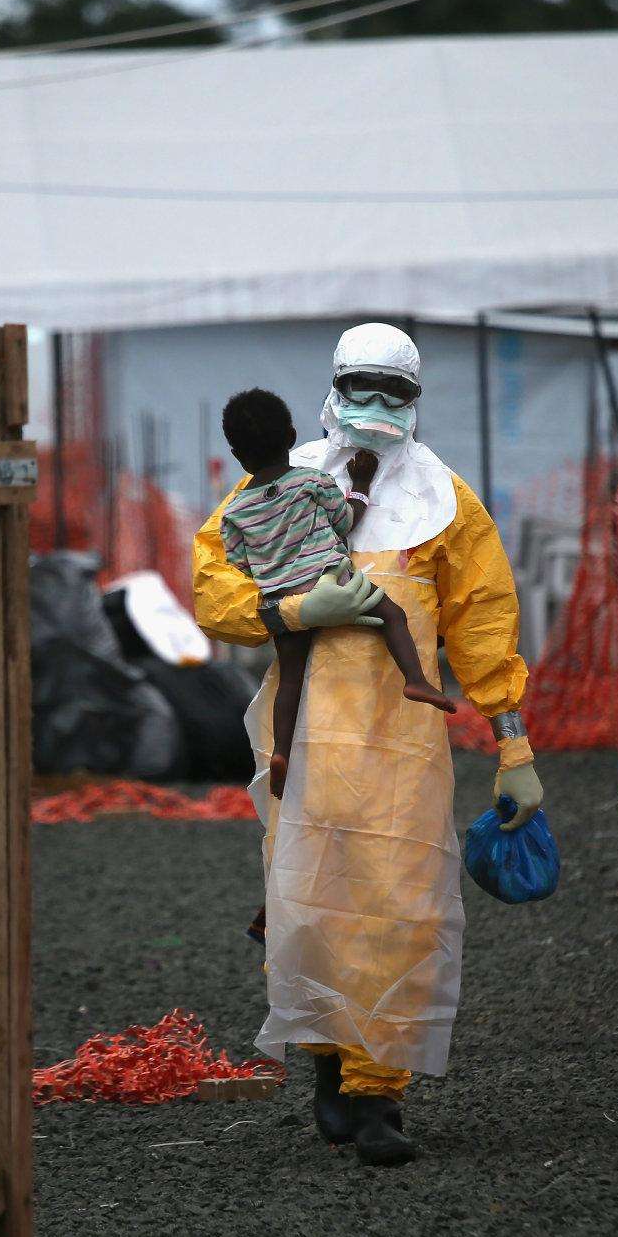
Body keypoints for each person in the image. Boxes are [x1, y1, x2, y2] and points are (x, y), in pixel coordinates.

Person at [193, 322, 545, 1167]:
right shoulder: (273, 487)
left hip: (401, 749)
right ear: (334, 386)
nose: (377, 407)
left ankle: (377, 1093)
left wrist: (513, 744)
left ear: (417, 400)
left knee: (399, 907)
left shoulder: (446, 503)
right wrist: (285, 614)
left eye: (396, 392)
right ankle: (325, 1057)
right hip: (303, 741)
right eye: (364, 387)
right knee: (310, 903)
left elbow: (485, 624)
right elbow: (214, 588)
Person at [217, 389, 457, 799]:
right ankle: (416, 679)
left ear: (238, 455)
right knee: (392, 615)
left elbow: (237, 563)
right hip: (334, 581)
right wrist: (361, 482)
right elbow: (346, 521)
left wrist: (276, 567)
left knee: (290, 678)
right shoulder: (312, 482)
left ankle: (281, 752)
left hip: (285, 603)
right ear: (292, 436)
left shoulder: (235, 511)